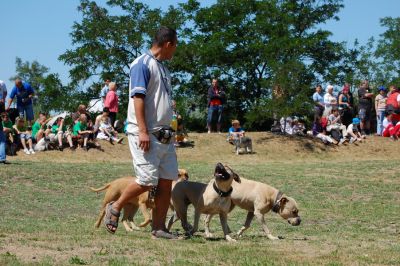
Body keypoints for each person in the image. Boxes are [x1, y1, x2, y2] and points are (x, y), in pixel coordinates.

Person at [103, 26, 179, 239]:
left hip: (165, 135)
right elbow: (138, 99)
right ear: (168, 44)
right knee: (146, 180)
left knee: (166, 180)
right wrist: (143, 131)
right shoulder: (141, 64)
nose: (175, 52)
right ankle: (115, 206)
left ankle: (159, 228)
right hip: (145, 133)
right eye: (175, 47)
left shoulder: (163, 68)